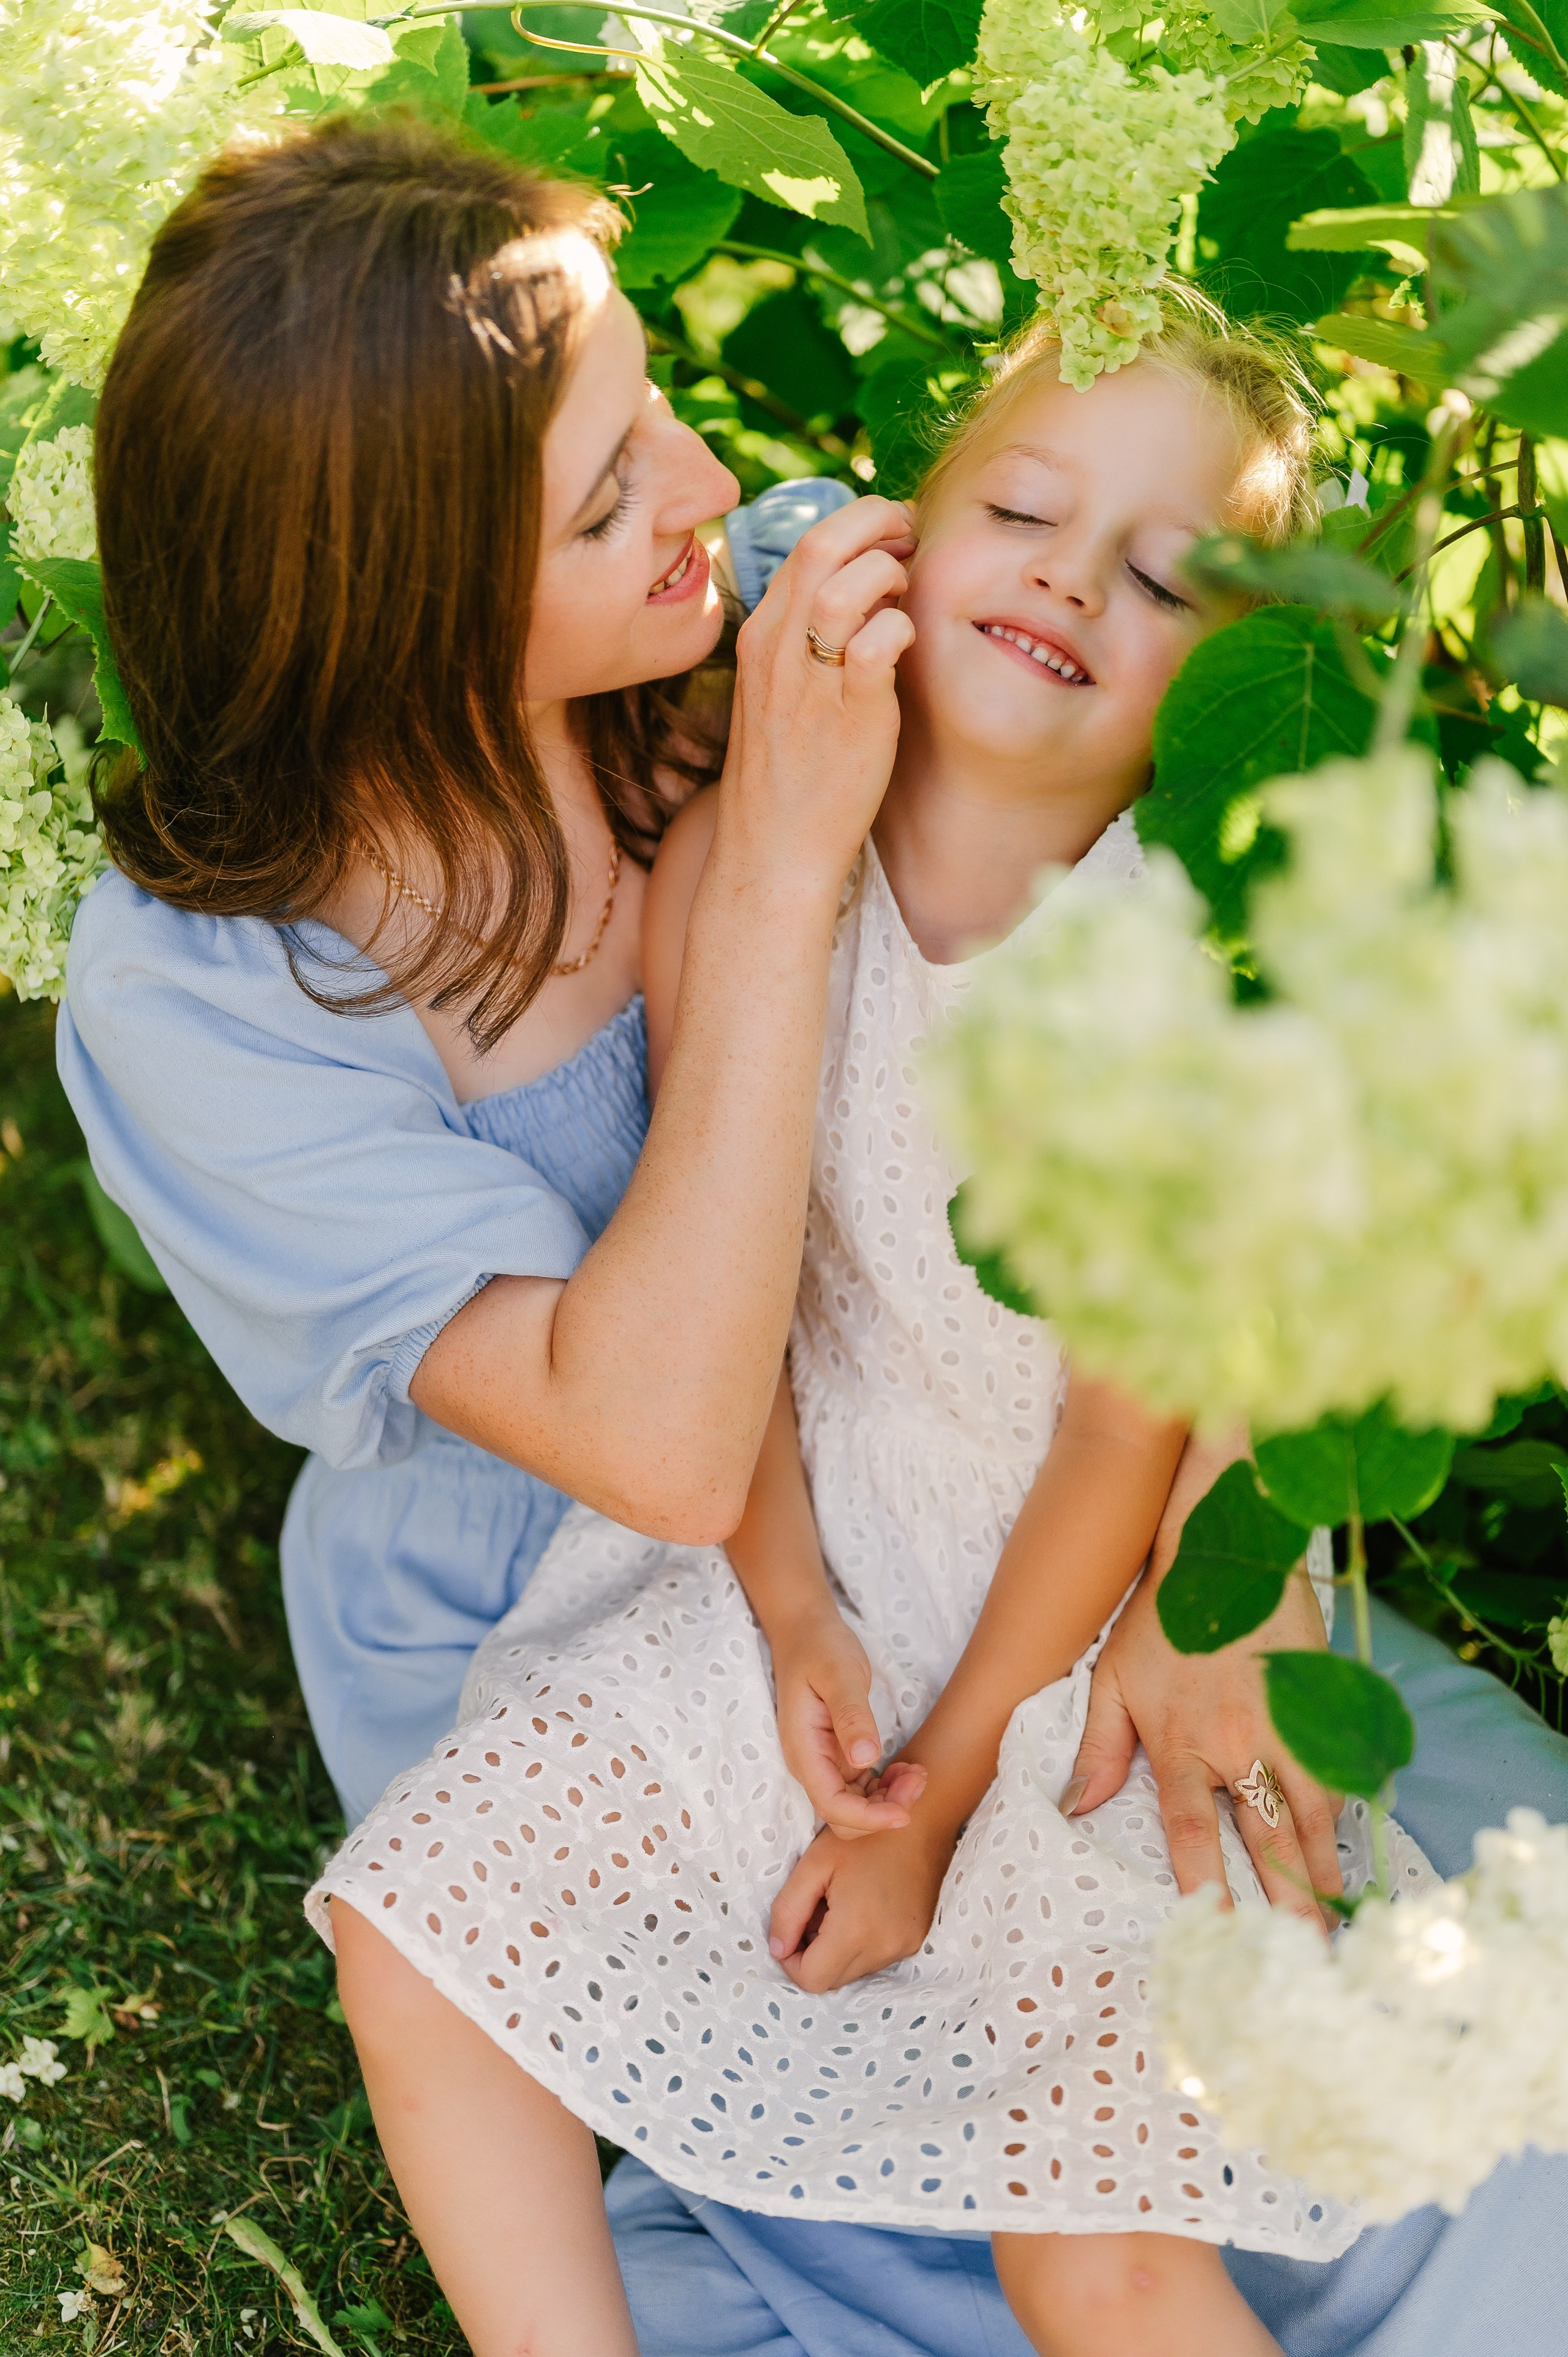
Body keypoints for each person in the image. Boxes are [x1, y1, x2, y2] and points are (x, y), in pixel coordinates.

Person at [56, 113, 1567, 2357]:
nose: (700, 488)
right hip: (591, 1572)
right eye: (599, 494)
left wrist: (1222, 1560)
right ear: (395, 598)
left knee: (1304, 2081)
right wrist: (768, 866)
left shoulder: (790, 613)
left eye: (655, 393)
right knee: (789, 2069)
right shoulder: (209, 986)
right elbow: (668, 1444)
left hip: (1011, 1511)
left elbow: (1221, 1213)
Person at [307, 306, 1433, 2357]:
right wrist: (797, 1611)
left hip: (1072, 1648)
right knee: (414, 1924)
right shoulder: (751, 848)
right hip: (776, 1544)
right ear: (908, 523)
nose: (1077, 582)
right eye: (1022, 508)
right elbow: (711, 1284)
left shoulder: (1170, 1004)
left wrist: (943, 1778)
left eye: (1172, 579)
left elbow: (1114, 1444)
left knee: (1091, 2243)